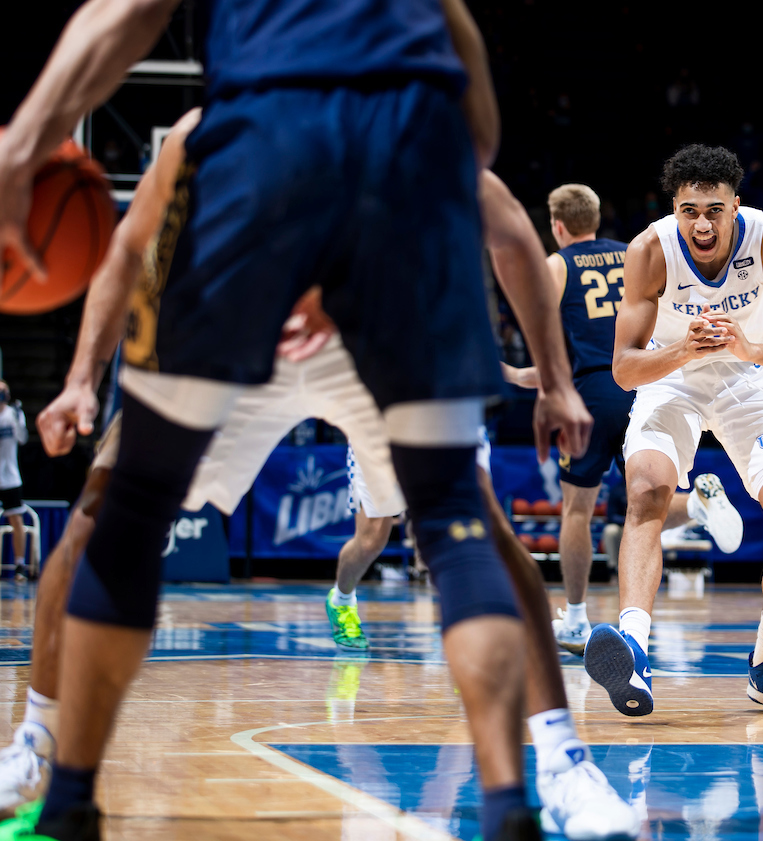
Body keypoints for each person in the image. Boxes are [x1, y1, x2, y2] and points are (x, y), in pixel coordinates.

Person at [0, 1, 592, 839]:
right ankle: (35, 739)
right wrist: (79, 382)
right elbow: (128, 251)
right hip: (329, 255)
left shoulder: (235, 116)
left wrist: (24, 143)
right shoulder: (208, 138)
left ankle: (562, 755)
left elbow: (512, 231)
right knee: (102, 512)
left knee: (472, 528)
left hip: (305, 270)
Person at [583, 144, 763, 718]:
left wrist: (749, 347)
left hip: (749, 378)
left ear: (736, 207)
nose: (702, 223)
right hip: (674, 378)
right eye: (689, 211)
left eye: (714, 210)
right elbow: (623, 368)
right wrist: (682, 348)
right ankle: (635, 648)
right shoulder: (649, 250)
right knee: (644, 491)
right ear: (674, 209)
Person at [537, 183, 743, 655]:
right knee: (643, 502)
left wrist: (532, 381)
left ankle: (574, 618)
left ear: (558, 225)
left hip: (590, 389)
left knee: (577, 510)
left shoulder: (558, 263)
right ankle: (696, 507)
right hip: (645, 380)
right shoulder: (634, 251)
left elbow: (544, 340)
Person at [0, 382, 28, 575]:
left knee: (16, 519)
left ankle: (20, 565)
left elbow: (23, 438)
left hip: (10, 476)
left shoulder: (14, 414)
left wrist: (17, 418)